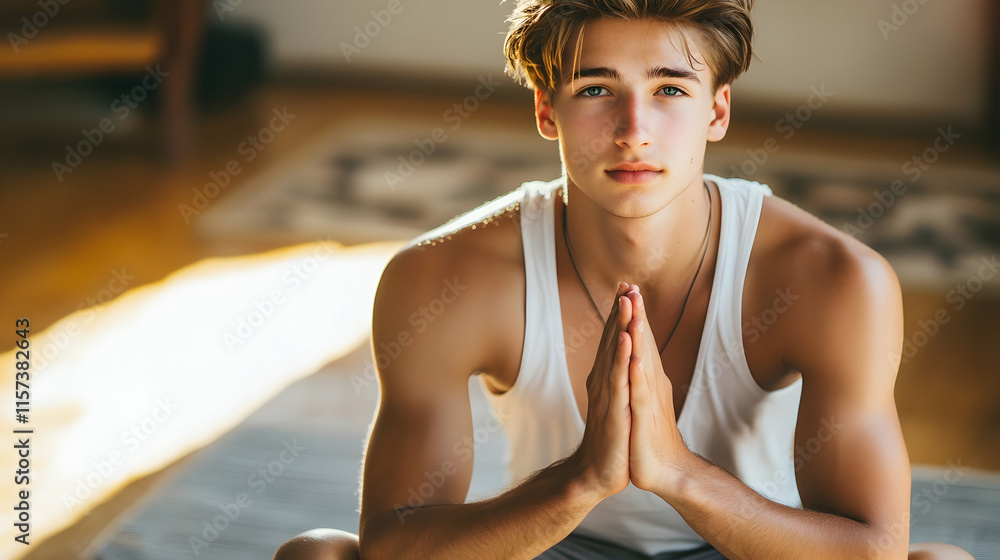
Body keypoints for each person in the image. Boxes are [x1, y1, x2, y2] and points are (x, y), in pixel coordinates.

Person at [275, 1, 974, 558]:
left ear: (717, 110)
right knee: (317, 557)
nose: (633, 129)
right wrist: (580, 481)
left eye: (669, 88)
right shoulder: (438, 278)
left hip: (750, 546)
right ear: (548, 111)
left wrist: (678, 474)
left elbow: (875, 551)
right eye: (596, 88)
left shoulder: (835, 279)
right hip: (547, 542)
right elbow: (392, 546)